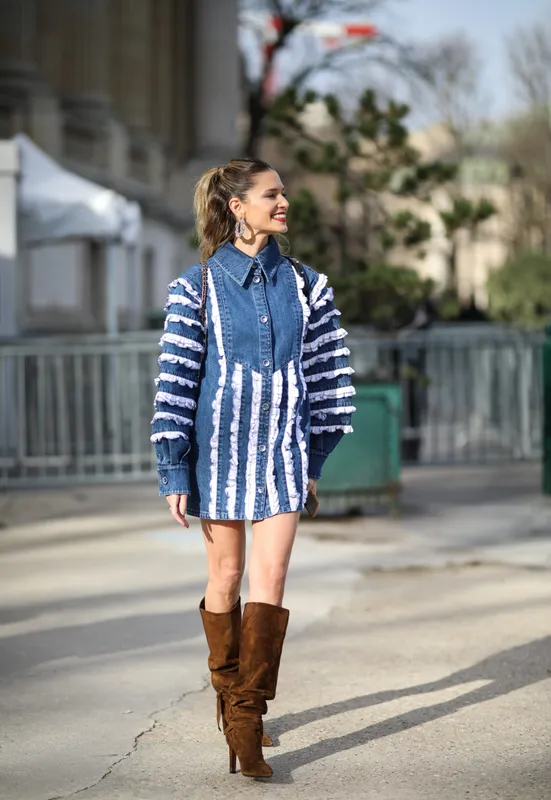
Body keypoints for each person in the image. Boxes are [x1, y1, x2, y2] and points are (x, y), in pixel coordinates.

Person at [151, 158, 355, 778]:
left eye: (284, 192)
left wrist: (315, 458)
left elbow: (327, 375)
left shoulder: (308, 287)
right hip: (219, 454)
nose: (283, 202)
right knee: (227, 576)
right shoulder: (197, 287)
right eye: (272, 194)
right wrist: (173, 469)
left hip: (285, 453)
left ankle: (246, 718)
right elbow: (176, 381)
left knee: (273, 579)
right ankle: (229, 694)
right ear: (237, 206)